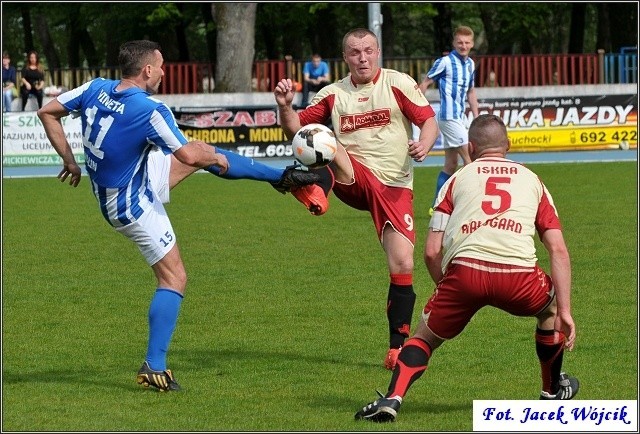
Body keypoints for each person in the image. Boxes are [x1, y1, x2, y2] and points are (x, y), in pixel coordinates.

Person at [37, 40, 318, 392]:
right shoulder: (149, 110)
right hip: (131, 204)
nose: (165, 72)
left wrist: (70, 161)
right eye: (162, 65)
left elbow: (47, 111)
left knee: (204, 149)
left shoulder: (95, 87)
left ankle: (282, 178)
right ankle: (154, 368)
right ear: (147, 71)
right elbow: (185, 156)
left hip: (120, 184)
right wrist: (215, 159)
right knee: (174, 278)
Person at [355, 114, 578, 423]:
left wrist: (446, 287)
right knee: (550, 311)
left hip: (464, 274)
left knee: (424, 338)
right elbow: (558, 249)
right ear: (508, 145)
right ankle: (552, 392)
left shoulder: (455, 180)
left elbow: (432, 251)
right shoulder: (532, 180)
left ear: (471, 148)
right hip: (519, 277)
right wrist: (565, 310)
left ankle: (393, 398)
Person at [274, 28, 439, 370]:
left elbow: (428, 121)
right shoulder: (333, 94)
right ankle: (314, 190)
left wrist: (425, 143)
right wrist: (285, 107)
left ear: (377, 52)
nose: (362, 57)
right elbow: (296, 130)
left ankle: (396, 348)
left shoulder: (397, 83)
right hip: (352, 176)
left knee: (403, 266)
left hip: (394, 187)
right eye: (354, 52)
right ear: (345, 57)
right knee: (320, 138)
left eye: (367, 51)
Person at [418, 25, 479, 215]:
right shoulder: (444, 62)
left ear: (472, 44)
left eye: (467, 42)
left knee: (451, 164)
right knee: (470, 160)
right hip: (448, 117)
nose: (463, 45)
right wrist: (417, 109)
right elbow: (426, 83)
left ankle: (437, 206)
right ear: (454, 43)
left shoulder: (470, 65)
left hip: (459, 117)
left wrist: (477, 117)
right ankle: (472, 205)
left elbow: (470, 91)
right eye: (460, 42)